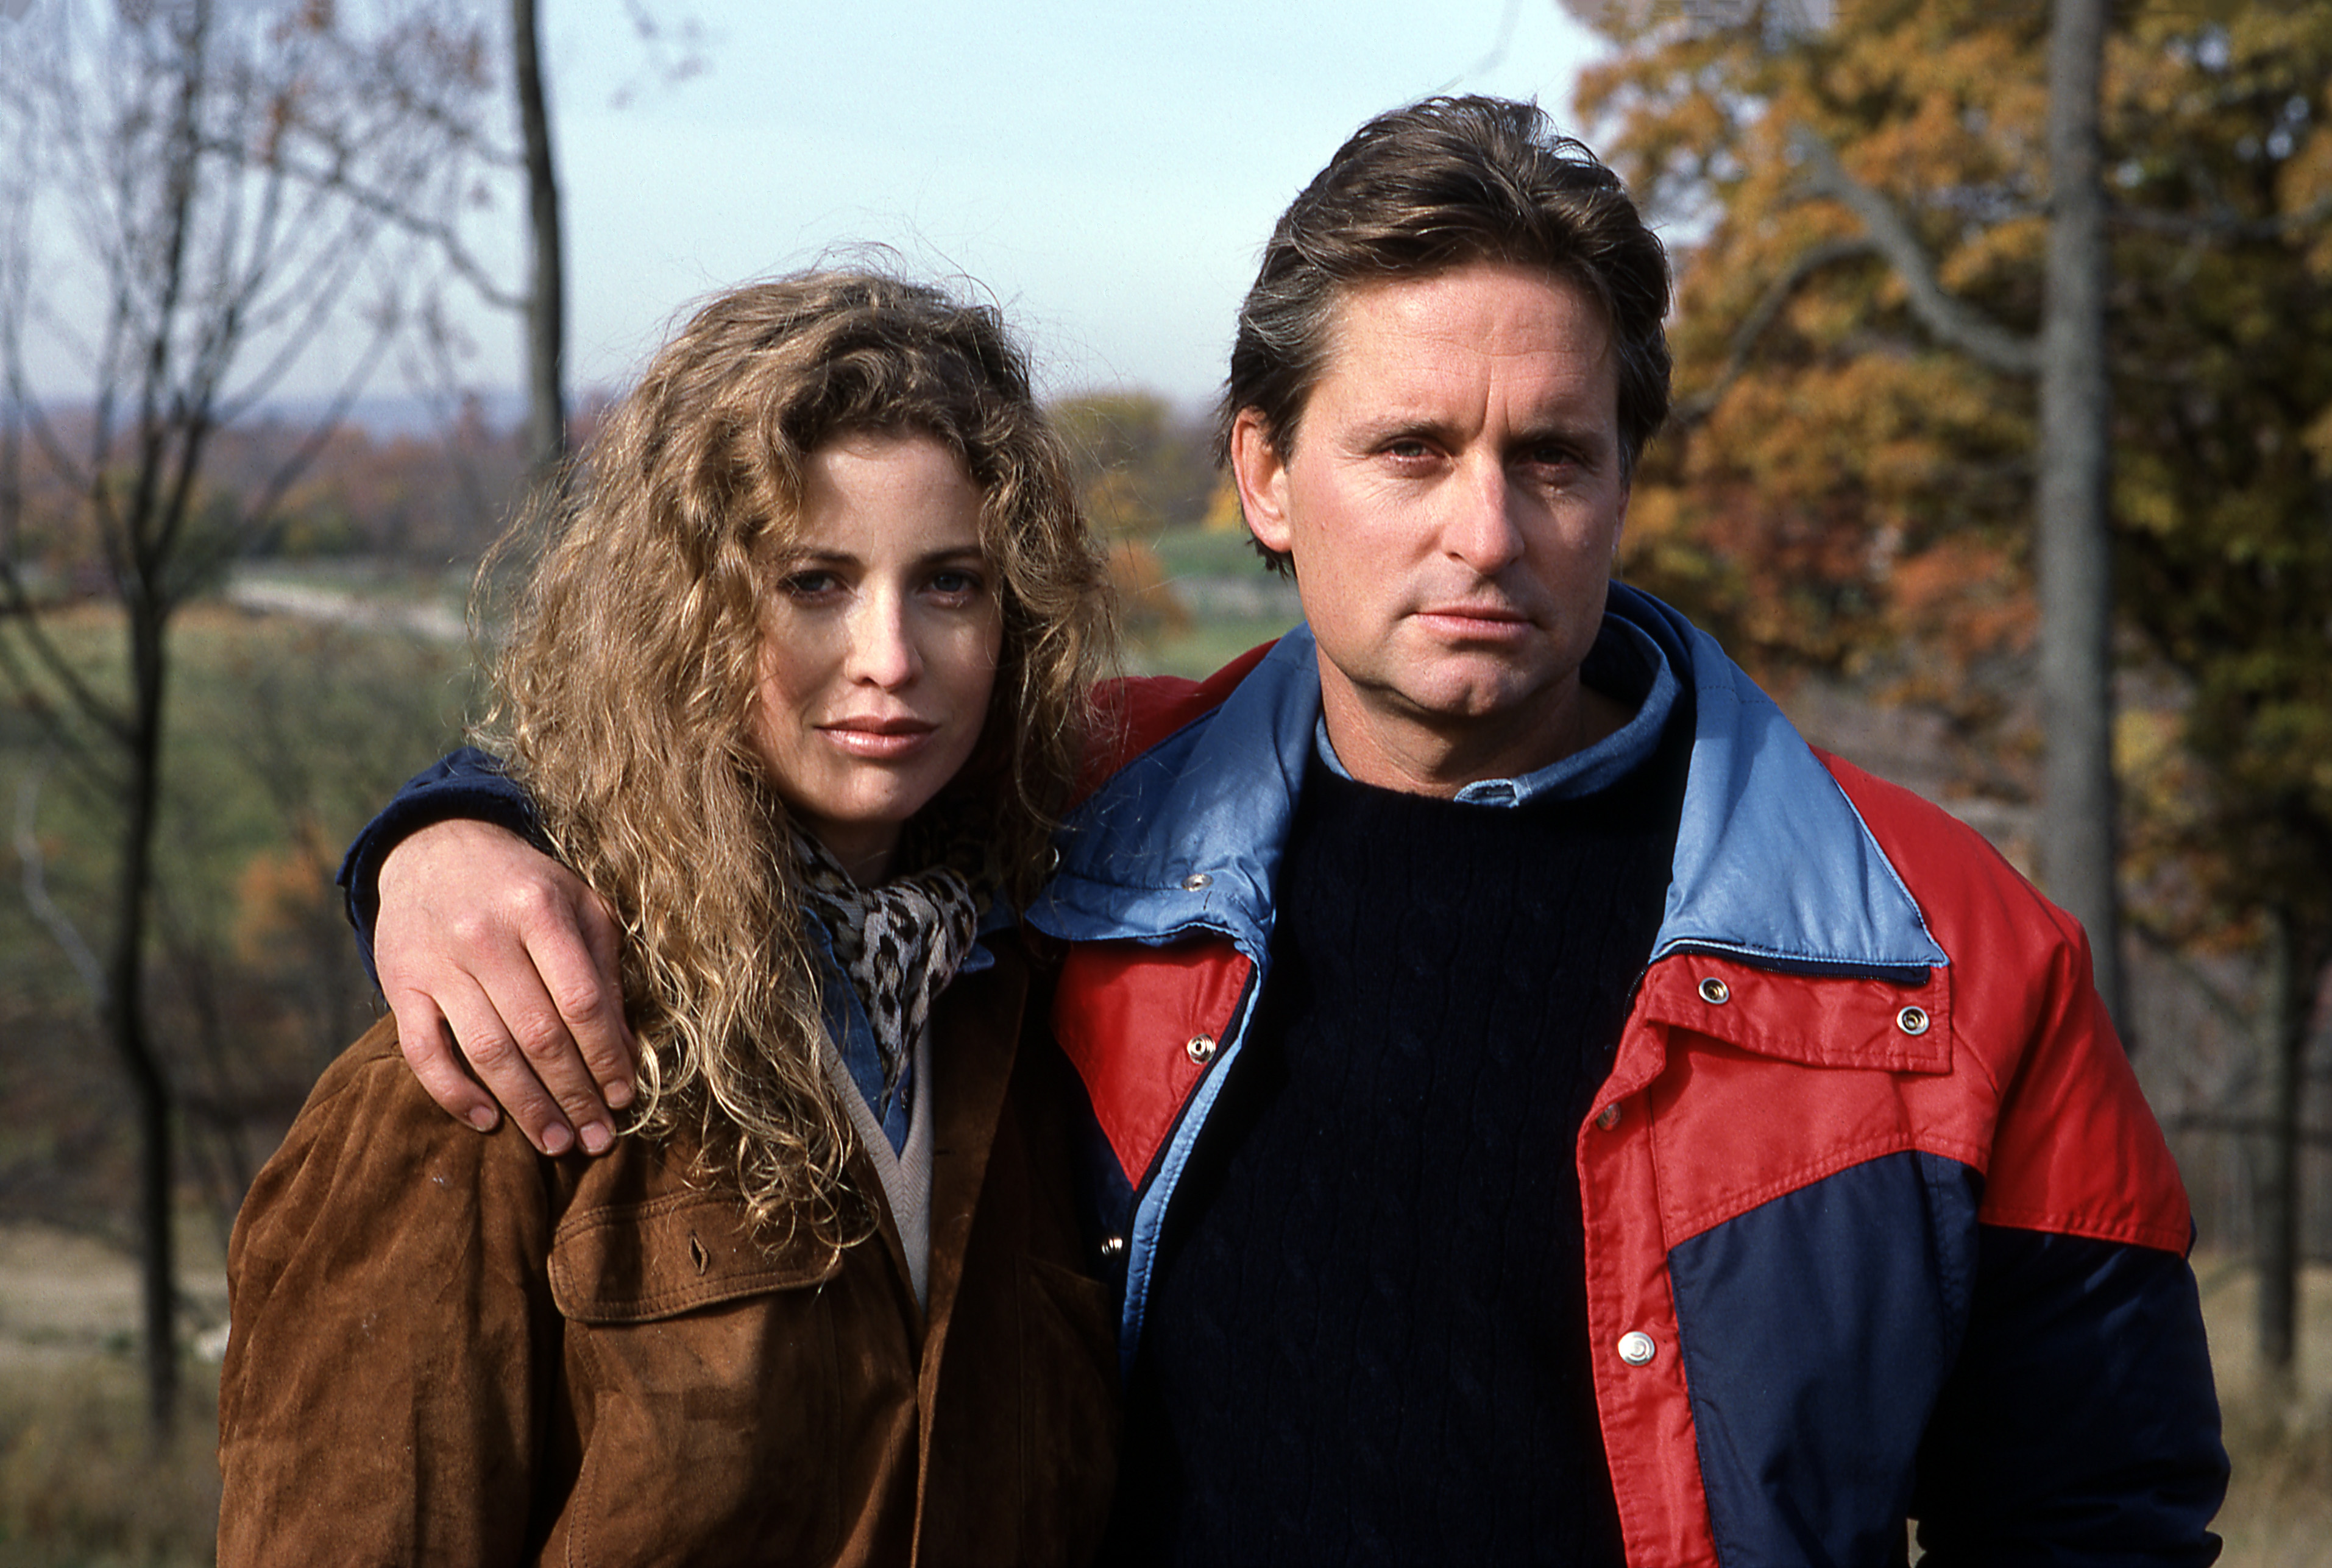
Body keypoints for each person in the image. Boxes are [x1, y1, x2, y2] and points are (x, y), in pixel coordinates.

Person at [341, 100, 2228, 1564]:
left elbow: (2098, 1509)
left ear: (1623, 478)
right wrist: (452, 831)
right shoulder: (1077, 823)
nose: (1483, 532)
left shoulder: (1947, 955)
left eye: (1551, 456)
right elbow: (734, 753)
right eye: (1410, 450)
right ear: (1264, 471)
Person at [218, 270, 1121, 1566]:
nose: (890, 656)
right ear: (684, 610)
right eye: (813, 581)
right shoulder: (496, 1040)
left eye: (951, 584)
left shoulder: (1025, 1006)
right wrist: (436, 839)